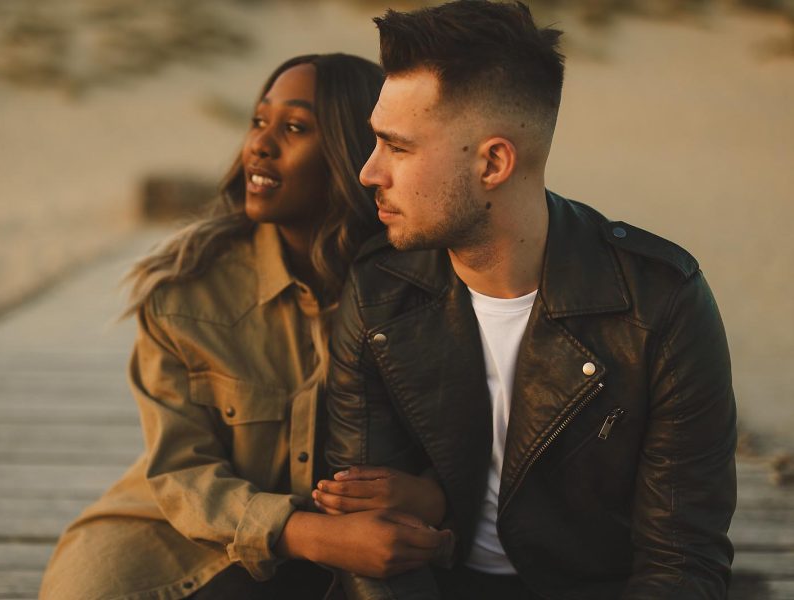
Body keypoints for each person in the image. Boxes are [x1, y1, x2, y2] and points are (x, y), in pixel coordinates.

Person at [316, 2, 737, 599]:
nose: (369, 172)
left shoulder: (660, 305)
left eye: (398, 148)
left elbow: (681, 560)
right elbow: (367, 534)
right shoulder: (381, 289)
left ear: (493, 162)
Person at [39, 53, 451, 600]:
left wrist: (433, 498)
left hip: (381, 553)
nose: (260, 143)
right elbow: (182, 474)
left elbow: (490, 444)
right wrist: (318, 536)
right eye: (259, 121)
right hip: (193, 544)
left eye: (295, 127)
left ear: (356, 152)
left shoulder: (431, 288)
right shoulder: (185, 293)